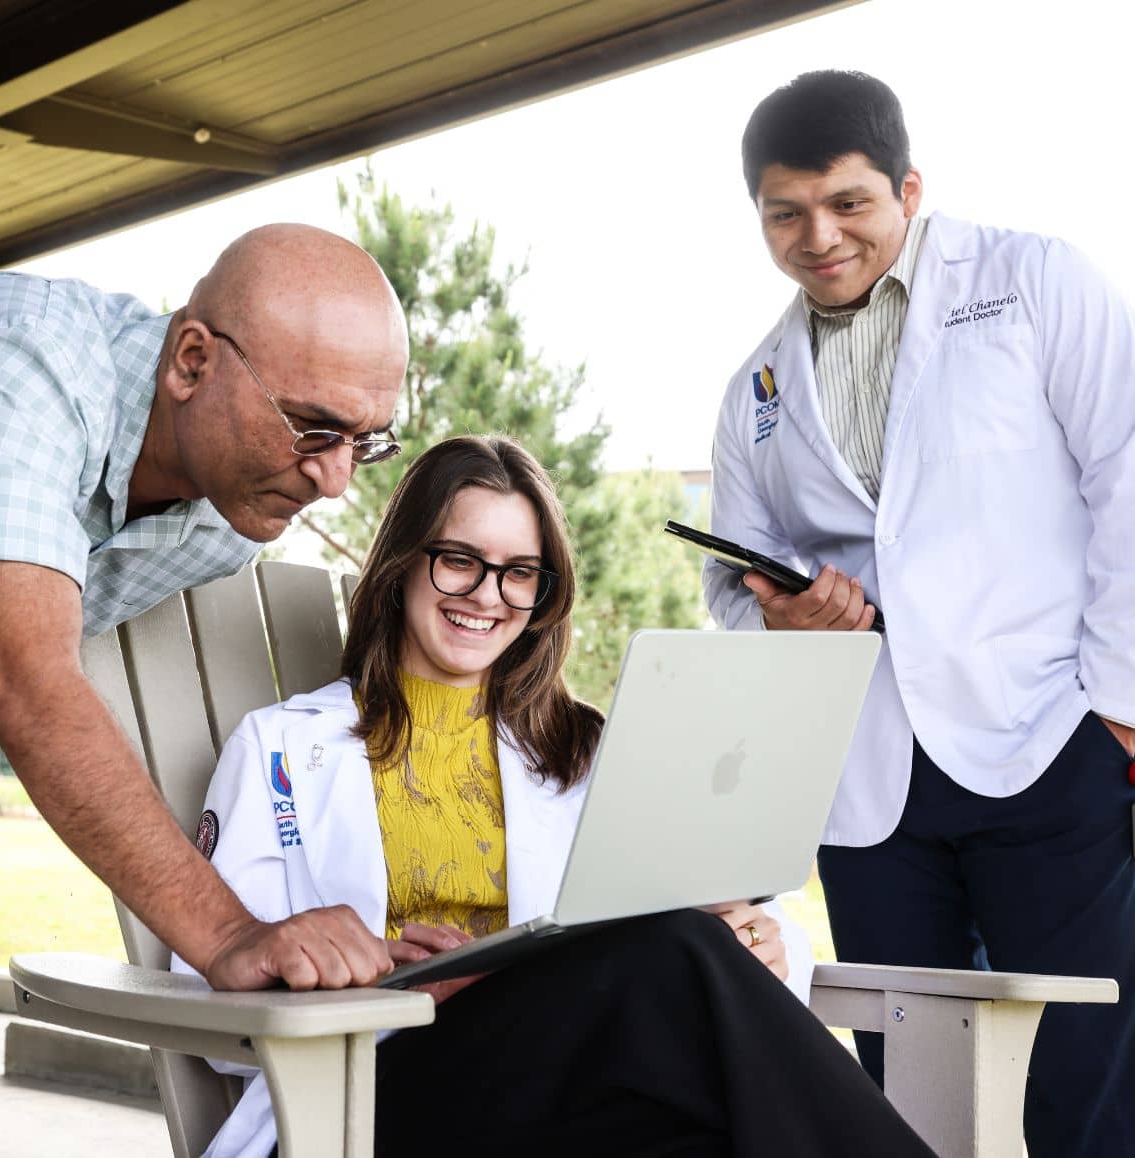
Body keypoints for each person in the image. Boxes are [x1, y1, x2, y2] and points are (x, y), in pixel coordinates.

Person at [0, 223, 412, 1155]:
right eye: (314, 427)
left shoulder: (237, 507)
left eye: (366, 440)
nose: (336, 477)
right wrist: (228, 936)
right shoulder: (19, 367)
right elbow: (29, 684)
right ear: (191, 359)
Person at [175, 434, 936, 1158]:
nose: (488, 595)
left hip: (565, 1099)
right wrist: (381, 982)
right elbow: (213, 984)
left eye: (519, 573)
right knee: (671, 953)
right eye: (459, 561)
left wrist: (770, 947)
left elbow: (715, 916)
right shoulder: (279, 747)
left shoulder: (580, 751)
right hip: (368, 1098)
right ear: (405, 563)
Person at [704, 69, 1135, 1158]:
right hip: (870, 788)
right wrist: (786, 627)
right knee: (912, 1093)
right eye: (785, 213)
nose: (819, 238)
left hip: (1049, 741)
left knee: (1084, 1080)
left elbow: (1127, 476)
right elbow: (726, 589)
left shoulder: (1034, 281)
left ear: (909, 188)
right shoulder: (754, 390)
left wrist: (1119, 713)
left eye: (849, 203)